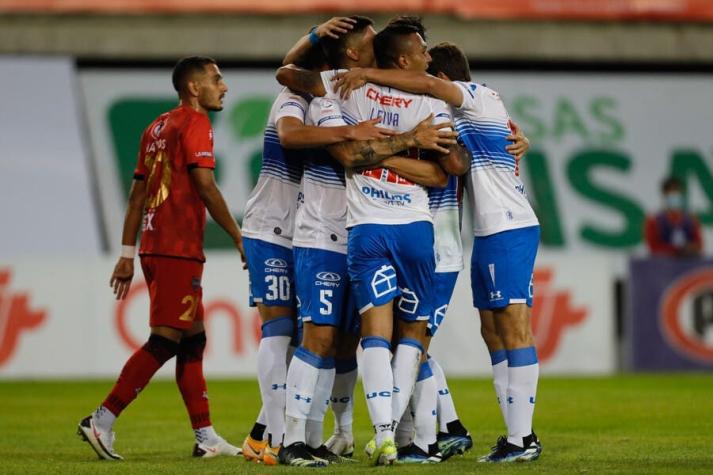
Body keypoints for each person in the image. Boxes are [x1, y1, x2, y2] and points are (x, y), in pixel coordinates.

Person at [334, 41, 543, 463]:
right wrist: (524, 138)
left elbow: (454, 161)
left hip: (506, 227)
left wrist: (369, 76)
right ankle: (496, 434)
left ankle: (508, 440)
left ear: (444, 82)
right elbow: (500, 138)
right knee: (490, 333)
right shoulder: (460, 118)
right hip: (484, 233)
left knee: (506, 329)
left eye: (430, 79)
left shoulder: (476, 97)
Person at [278, 23, 467, 465]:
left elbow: (442, 171)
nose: (375, 41)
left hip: (360, 230)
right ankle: (291, 439)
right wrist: (410, 141)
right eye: (368, 39)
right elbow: (291, 79)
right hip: (325, 231)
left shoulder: (354, 92)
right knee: (323, 336)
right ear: (351, 53)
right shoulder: (335, 91)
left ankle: (372, 435)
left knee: (355, 340)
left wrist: (380, 145)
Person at [77, 56, 246, 460]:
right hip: (176, 248)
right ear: (194, 88)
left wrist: (126, 253)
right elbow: (205, 186)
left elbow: (137, 196)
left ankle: (205, 438)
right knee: (166, 340)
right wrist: (240, 238)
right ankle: (101, 419)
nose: (223, 87)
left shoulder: (155, 127)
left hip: (155, 244)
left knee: (194, 339)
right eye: (216, 80)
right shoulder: (196, 124)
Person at [644, 176, 703, 257]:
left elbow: (699, 245)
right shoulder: (653, 220)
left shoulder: (691, 219)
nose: (674, 195)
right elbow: (653, 247)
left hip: (687, 265)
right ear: (664, 195)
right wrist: (677, 250)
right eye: (671, 192)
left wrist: (691, 248)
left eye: (677, 192)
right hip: (663, 266)